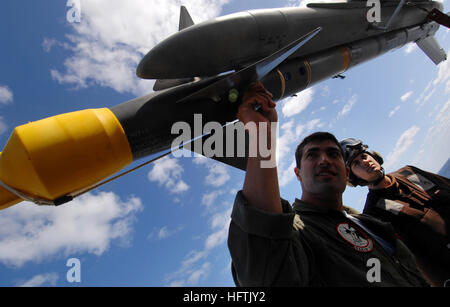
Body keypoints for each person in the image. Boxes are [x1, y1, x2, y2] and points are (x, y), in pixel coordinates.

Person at [227, 82, 429, 286]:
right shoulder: (300, 231)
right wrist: (262, 135)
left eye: (333, 154)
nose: (324, 160)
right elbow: (265, 269)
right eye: (312, 155)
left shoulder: (371, 224)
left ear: (346, 172)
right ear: (298, 174)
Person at [340, 138, 450, 287]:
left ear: (373, 155)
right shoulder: (374, 215)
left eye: (364, 156)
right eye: (356, 164)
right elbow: (410, 262)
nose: (364, 162)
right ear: (353, 177)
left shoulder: (408, 172)